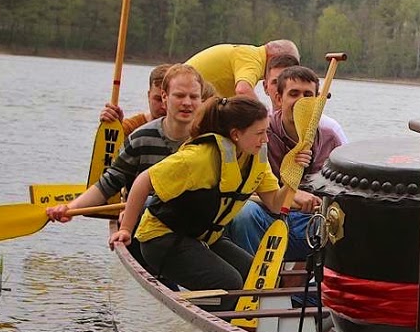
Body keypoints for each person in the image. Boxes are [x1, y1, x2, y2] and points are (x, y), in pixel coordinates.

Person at [107, 96, 283, 295]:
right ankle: (223, 322)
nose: (266, 139)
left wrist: (293, 175)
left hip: (203, 236)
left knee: (259, 274)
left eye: (266, 132)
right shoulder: (199, 157)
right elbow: (143, 181)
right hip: (161, 238)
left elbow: (275, 204)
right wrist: (127, 229)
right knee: (229, 282)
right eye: (260, 133)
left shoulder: (255, 157)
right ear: (235, 134)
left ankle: (246, 320)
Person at [50, 64, 210, 219]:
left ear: (202, 100)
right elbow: (109, 182)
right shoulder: (140, 138)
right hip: (146, 223)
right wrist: (70, 208)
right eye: (180, 96)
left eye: (194, 97)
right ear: (164, 97)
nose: (187, 103)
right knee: (148, 203)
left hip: (193, 222)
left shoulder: (210, 140)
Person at [224, 65, 347, 260]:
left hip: (308, 221)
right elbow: (239, 188)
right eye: (294, 93)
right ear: (279, 99)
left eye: (308, 95)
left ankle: (315, 289)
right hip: (264, 216)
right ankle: (253, 282)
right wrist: (291, 194)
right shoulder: (262, 133)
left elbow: (340, 193)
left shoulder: (330, 138)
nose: (300, 101)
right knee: (244, 214)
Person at [186, 40, 300, 99]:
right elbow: (243, 90)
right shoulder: (252, 59)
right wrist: (265, 117)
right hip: (187, 94)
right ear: (276, 56)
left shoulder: (249, 54)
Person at [100, 62, 172, 136]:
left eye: (168, 100)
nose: (164, 106)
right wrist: (111, 128)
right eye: (158, 99)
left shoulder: (184, 133)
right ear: (148, 96)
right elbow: (104, 146)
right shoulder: (130, 128)